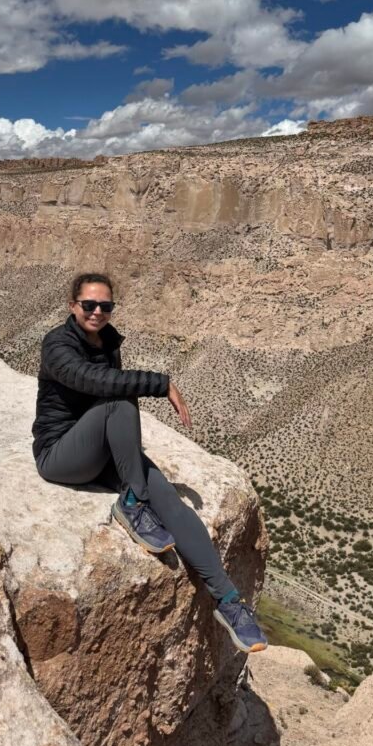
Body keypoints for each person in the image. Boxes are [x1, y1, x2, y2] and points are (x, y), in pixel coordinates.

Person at [32, 271, 268, 654]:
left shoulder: (107, 341)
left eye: (105, 306)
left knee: (169, 501)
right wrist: (160, 383)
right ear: (72, 305)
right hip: (60, 455)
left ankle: (229, 603)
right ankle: (131, 504)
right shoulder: (57, 344)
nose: (96, 312)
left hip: (101, 450)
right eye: (88, 305)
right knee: (118, 397)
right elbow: (91, 381)